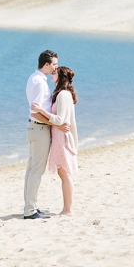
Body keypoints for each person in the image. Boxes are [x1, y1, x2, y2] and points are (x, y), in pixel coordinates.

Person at [23, 50, 68, 220]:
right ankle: (30, 210)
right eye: (55, 64)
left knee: (31, 169)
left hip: (34, 129)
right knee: (36, 170)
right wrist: (56, 123)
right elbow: (35, 112)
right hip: (39, 129)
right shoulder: (40, 83)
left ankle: (31, 206)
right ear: (47, 64)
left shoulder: (33, 78)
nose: (56, 68)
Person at [31, 66, 79, 216]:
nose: (52, 74)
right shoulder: (62, 94)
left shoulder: (63, 95)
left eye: (55, 73)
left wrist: (40, 111)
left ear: (61, 76)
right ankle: (67, 209)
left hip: (62, 139)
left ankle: (68, 210)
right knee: (63, 174)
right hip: (59, 138)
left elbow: (61, 119)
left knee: (65, 174)